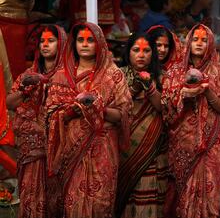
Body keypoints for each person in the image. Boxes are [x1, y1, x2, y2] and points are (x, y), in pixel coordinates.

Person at [45, 22, 132, 217]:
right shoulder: (61, 76)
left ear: (100, 43)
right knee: (72, 204)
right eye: (80, 40)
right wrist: (69, 112)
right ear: (74, 43)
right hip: (70, 150)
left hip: (102, 150)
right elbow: (50, 112)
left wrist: (98, 108)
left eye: (90, 40)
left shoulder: (113, 75)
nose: (84, 44)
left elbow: (123, 114)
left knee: (100, 204)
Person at [161, 24, 220, 218]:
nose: (199, 43)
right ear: (188, 42)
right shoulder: (174, 72)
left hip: (211, 144)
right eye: (195, 39)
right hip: (183, 143)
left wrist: (207, 92)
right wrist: (183, 95)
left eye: (204, 39)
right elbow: (166, 109)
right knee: (181, 195)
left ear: (211, 43)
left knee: (210, 191)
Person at [6, 24, 66, 217]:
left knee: (56, 200)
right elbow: (9, 103)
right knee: (31, 196)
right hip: (32, 150)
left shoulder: (68, 77)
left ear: (62, 43)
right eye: (42, 41)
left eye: (51, 41)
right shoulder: (28, 75)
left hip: (59, 151)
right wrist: (25, 90)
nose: (45, 45)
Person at [115, 33, 167, 218]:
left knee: (149, 192)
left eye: (146, 51)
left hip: (151, 147)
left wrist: (149, 87)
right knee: (125, 195)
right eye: (136, 50)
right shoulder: (117, 75)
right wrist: (135, 87)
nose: (141, 55)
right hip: (124, 147)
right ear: (128, 53)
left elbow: (163, 107)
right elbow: (116, 106)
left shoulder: (162, 76)